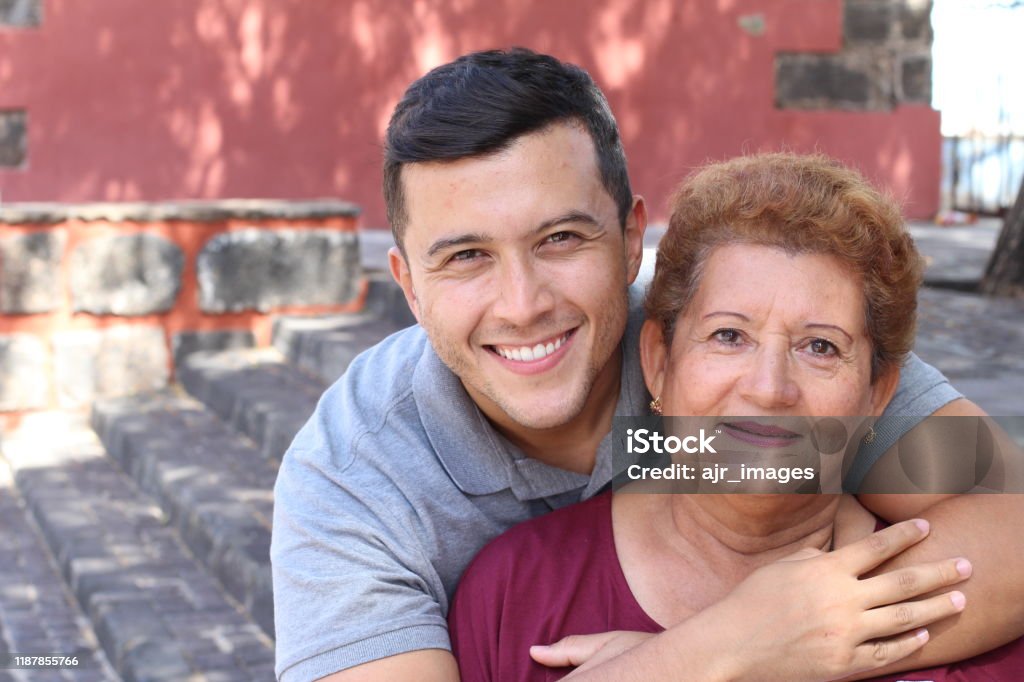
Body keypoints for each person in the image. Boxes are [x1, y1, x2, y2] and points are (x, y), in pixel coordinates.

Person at [270, 49, 1024, 681]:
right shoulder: (355, 475)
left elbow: (1012, 522)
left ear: (632, 238)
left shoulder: (726, 348)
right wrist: (720, 651)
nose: (523, 303)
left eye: (562, 238)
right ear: (408, 284)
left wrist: (803, 647)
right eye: (467, 257)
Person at [448, 152, 1024, 681]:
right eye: (729, 336)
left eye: (820, 347)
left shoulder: (979, 620)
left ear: (878, 394)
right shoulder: (512, 595)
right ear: (657, 364)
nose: (769, 389)